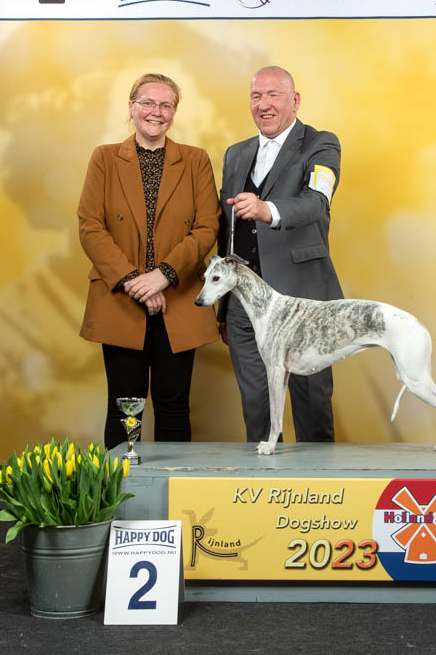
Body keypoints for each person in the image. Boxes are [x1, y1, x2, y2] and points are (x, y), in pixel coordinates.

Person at [78, 73, 221, 449]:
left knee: (174, 406)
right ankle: (123, 487)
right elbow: (90, 226)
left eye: (166, 105)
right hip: (120, 300)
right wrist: (133, 281)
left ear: (174, 112)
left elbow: (207, 227)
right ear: (131, 107)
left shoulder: (196, 160)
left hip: (179, 299)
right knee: (124, 407)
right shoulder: (104, 158)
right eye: (148, 103)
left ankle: (173, 486)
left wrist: (164, 275)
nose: (156, 112)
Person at [217, 66, 343, 443]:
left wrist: (266, 209)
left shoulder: (320, 144)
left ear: (295, 101)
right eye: (256, 96)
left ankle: (319, 480)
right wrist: (223, 305)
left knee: (312, 408)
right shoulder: (235, 154)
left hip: (304, 302)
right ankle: (263, 475)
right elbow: (227, 230)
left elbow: (316, 202)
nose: (264, 104)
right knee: (257, 411)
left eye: (274, 95)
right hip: (244, 308)